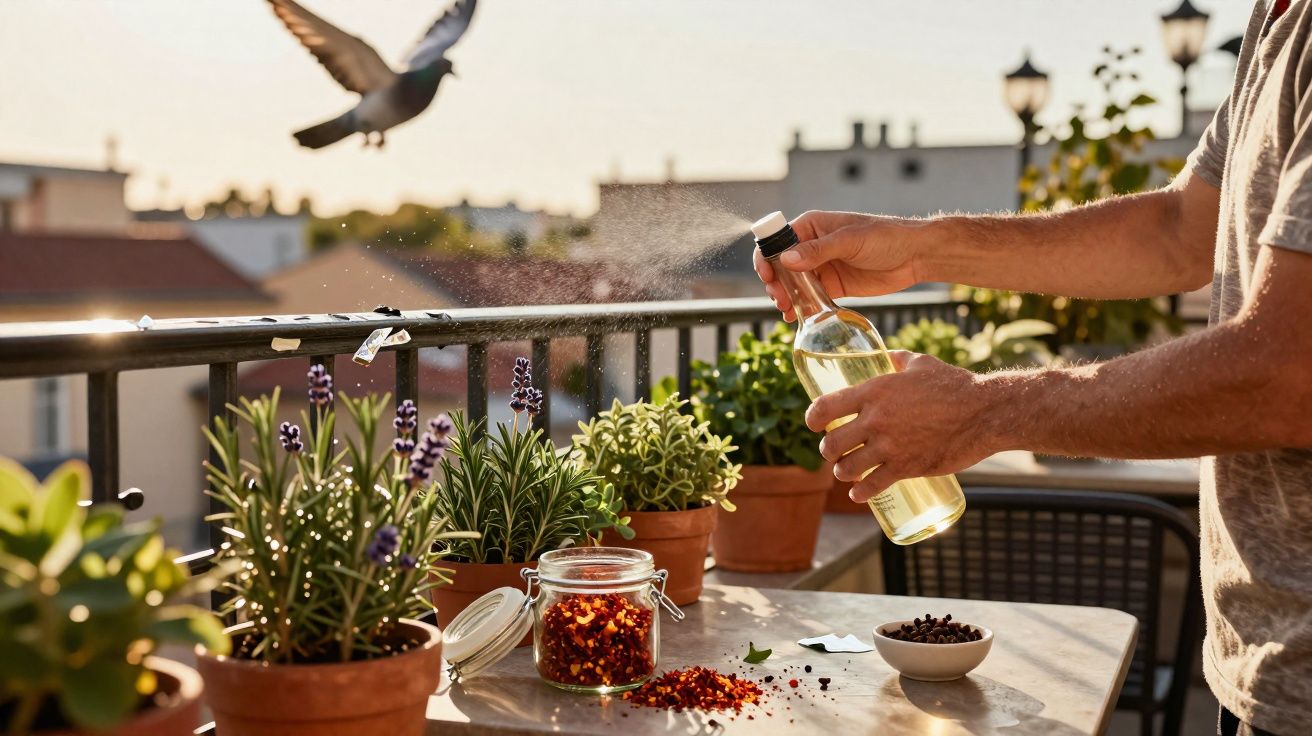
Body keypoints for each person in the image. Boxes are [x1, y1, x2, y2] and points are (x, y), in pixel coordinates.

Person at [755, 3, 1312, 735]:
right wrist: (921, 248)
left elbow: (1287, 372)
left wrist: (984, 410)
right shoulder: (1278, 19)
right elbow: (1179, 230)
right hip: (1263, 666)